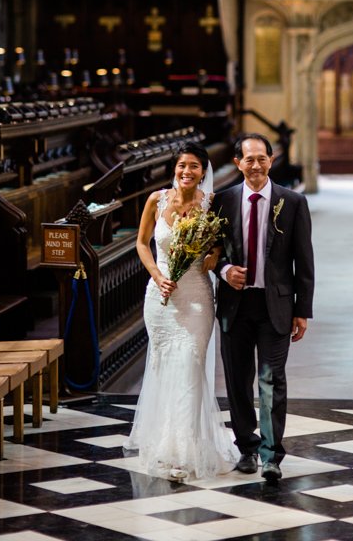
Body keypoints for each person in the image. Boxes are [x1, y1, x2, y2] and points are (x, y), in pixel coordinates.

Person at [124, 140, 239, 481]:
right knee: (164, 368)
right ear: (174, 170)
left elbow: (219, 245)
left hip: (196, 297)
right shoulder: (156, 201)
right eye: (181, 166)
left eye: (193, 166)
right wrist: (158, 275)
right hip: (160, 298)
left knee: (190, 366)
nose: (186, 172)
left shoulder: (212, 205)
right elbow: (141, 243)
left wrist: (213, 258)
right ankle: (165, 445)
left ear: (204, 171)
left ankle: (185, 452)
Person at [213, 133, 315, 483]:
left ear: (271, 161)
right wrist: (226, 271)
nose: (255, 165)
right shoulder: (222, 202)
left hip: (277, 305)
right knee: (238, 381)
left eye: (262, 158)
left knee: (272, 380)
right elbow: (212, 254)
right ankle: (247, 448)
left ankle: (272, 456)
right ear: (238, 163)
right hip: (235, 304)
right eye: (248, 159)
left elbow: (305, 261)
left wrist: (303, 310)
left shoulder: (292, 202)